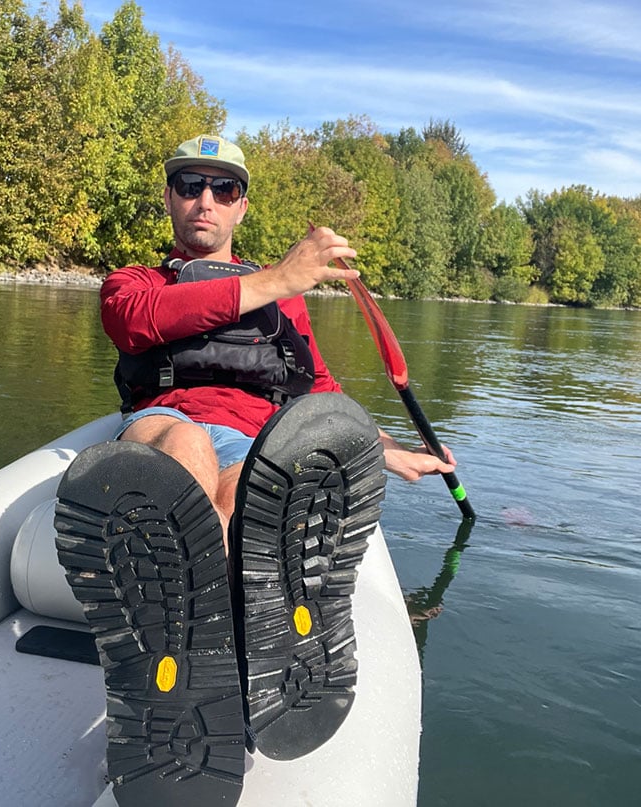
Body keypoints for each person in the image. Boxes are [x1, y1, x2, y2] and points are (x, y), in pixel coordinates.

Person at [53, 134, 457, 807]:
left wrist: (379, 443)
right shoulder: (140, 281)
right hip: (169, 420)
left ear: (242, 205)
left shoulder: (287, 298)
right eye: (189, 185)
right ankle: (193, 677)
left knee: (246, 498)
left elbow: (317, 390)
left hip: (254, 437)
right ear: (169, 199)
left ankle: (208, 678)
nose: (205, 200)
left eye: (224, 189)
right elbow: (133, 323)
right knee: (188, 460)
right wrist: (274, 279)